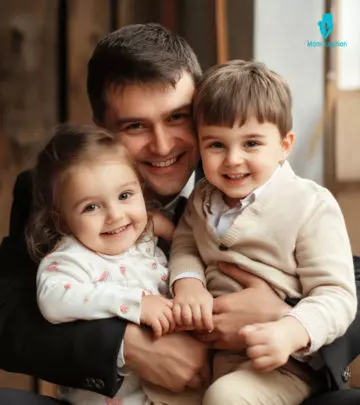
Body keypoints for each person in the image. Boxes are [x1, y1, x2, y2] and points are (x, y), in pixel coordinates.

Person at [0, 23, 359, 405]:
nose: (162, 145)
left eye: (177, 118)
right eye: (135, 125)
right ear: (102, 129)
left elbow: (348, 278)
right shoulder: (63, 187)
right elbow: (8, 313)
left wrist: (282, 316)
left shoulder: (240, 175)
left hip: (255, 379)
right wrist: (127, 345)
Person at [168, 60, 357, 405]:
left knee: (226, 397)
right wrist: (188, 282)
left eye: (251, 143)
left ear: (285, 144)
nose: (232, 160)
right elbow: (185, 244)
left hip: (281, 365)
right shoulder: (203, 198)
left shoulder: (310, 205)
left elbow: (337, 295)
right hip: (210, 358)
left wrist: (290, 330)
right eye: (216, 145)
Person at [26, 123, 203, 405]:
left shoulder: (146, 243)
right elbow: (53, 299)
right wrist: (137, 304)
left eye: (124, 196)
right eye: (91, 207)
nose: (114, 215)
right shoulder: (71, 258)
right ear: (62, 220)